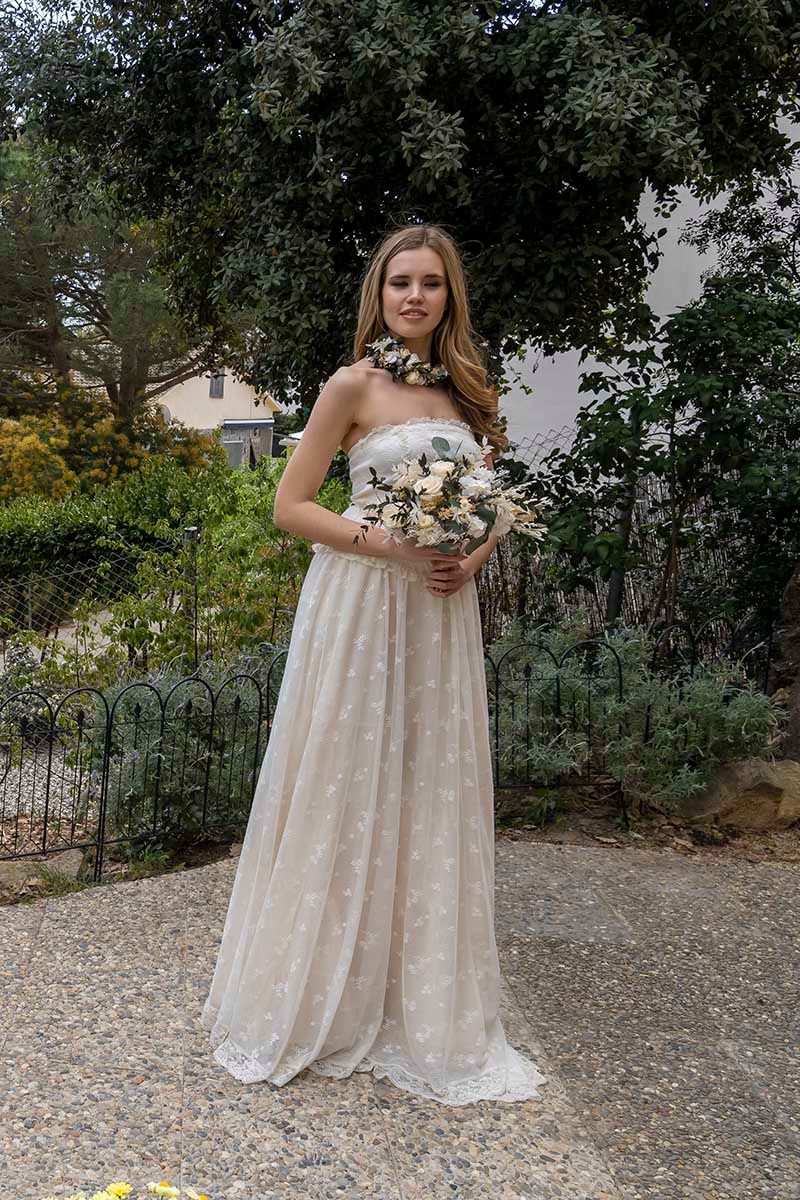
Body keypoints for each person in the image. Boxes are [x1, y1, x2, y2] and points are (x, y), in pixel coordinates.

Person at [200, 222, 548, 1105]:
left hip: (438, 613)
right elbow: (291, 506)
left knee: (430, 781)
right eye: (401, 283)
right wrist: (391, 545)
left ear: (449, 295)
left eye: (431, 283)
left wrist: (473, 558)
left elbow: (493, 504)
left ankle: (416, 997)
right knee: (344, 776)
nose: (415, 297)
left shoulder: (471, 393)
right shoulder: (350, 385)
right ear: (380, 295)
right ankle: (322, 993)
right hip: (360, 605)